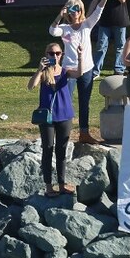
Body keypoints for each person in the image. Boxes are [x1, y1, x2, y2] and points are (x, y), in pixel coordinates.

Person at [51, 0, 111, 144]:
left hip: (86, 69)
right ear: (68, 11)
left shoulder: (86, 25)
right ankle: (64, 133)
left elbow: (99, 11)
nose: (75, 12)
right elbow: (52, 31)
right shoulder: (64, 28)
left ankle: (84, 133)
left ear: (81, 10)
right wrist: (60, 15)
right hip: (69, 71)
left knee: (85, 102)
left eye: (77, 8)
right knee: (66, 101)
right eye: (72, 9)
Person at [28, 43, 78, 196]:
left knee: (62, 150)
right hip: (47, 117)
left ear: (61, 54)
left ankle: (62, 184)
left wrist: (81, 57)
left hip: (64, 115)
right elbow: (31, 86)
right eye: (51, 53)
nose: (54, 56)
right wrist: (39, 69)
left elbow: (79, 73)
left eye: (57, 53)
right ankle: (49, 186)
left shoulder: (65, 71)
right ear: (46, 54)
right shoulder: (44, 73)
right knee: (48, 149)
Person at [90, 0, 129, 78]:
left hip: (120, 19)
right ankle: (96, 71)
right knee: (101, 45)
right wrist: (87, 16)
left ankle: (119, 69)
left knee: (120, 45)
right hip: (105, 19)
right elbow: (94, 1)